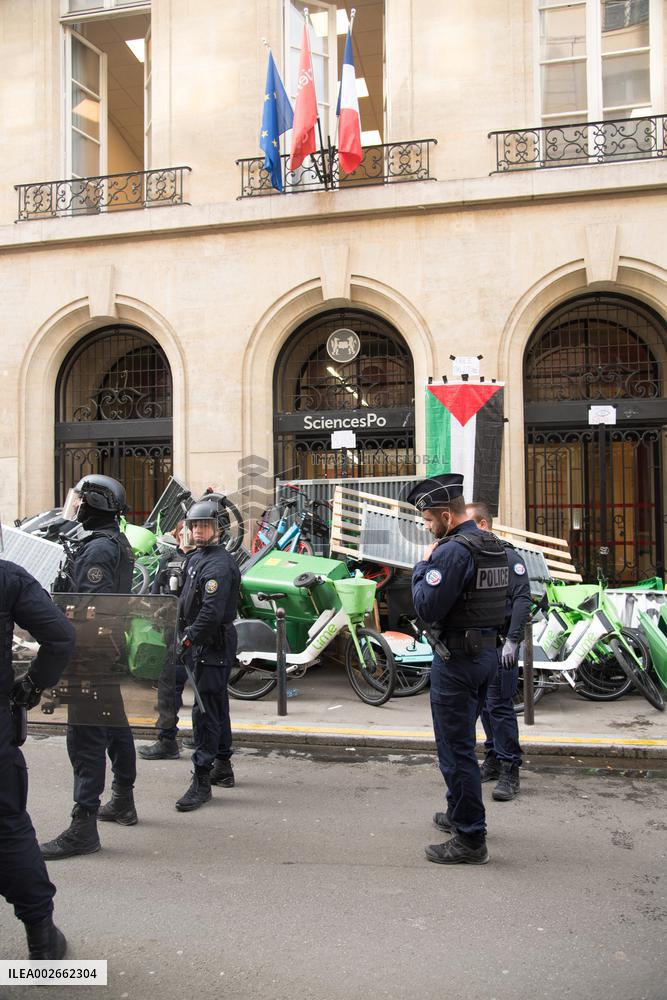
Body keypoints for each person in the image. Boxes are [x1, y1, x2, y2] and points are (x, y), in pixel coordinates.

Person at [408, 473, 509, 866]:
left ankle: (470, 838)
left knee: (456, 750)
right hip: (486, 655)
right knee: (462, 743)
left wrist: (421, 567)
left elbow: (426, 606)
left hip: (458, 660)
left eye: (429, 518)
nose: (427, 525)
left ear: (447, 515)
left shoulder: (451, 551)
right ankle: (457, 813)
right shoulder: (491, 543)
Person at [40, 475, 136, 861]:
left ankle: (83, 826)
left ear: (96, 503)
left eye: (80, 500)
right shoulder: (116, 542)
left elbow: (86, 610)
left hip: (90, 653)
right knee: (114, 725)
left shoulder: (98, 549)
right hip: (108, 648)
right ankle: (123, 800)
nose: (76, 506)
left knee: (85, 738)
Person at [1, 539, 75, 957]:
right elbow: (60, 635)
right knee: (8, 829)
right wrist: (29, 686)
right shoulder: (8, 577)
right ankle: (42, 940)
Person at [175, 497, 240, 812]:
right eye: (194, 525)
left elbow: (211, 612)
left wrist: (188, 639)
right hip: (204, 642)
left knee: (205, 711)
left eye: (205, 525)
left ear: (219, 529)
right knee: (216, 704)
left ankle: (202, 779)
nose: (198, 531)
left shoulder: (217, 564)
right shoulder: (198, 557)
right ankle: (223, 767)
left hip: (210, 643)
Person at [467, 502, 531, 802]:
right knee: (485, 707)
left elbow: (521, 600)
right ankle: (493, 756)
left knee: (500, 706)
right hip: (479, 645)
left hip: (502, 644)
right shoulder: (475, 557)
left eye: (469, 524)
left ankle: (510, 768)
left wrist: (513, 640)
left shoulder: (507, 556)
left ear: (483, 525)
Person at [138, 521, 194, 761]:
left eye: (188, 530)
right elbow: (155, 595)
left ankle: (204, 736)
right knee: (168, 689)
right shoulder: (168, 560)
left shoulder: (205, 560)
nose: (184, 535)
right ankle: (167, 739)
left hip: (197, 633)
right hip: (172, 633)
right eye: (181, 531)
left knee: (205, 689)